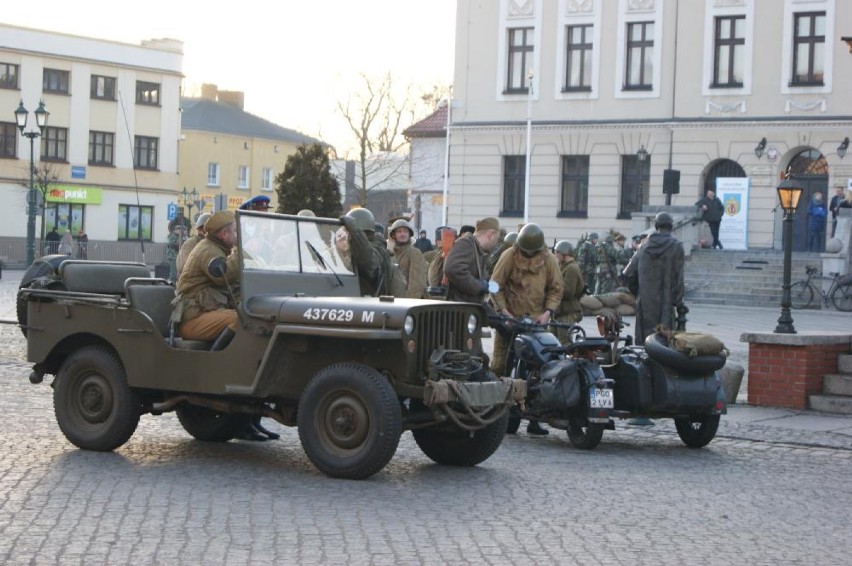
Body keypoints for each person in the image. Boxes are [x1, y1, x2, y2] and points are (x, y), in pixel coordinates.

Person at [490, 222, 563, 436]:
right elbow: (495, 285)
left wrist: (548, 312)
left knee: (538, 371)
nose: (529, 255)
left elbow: (556, 288)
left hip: (537, 321)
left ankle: (535, 417)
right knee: (501, 365)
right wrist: (503, 311)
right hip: (510, 320)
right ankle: (498, 414)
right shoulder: (509, 256)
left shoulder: (549, 260)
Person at [621, 212, 684, 346]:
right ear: (671, 227)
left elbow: (627, 273)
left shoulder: (643, 247)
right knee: (664, 341)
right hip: (666, 301)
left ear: (656, 226)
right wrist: (678, 302)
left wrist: (638, 291)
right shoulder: (677, 246)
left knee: (644, 341)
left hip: (645, 301)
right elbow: (679, 277)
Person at [340, 208, 404, 297]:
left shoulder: (378, 248)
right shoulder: (353, 247)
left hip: (370, 302)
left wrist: (355, 232)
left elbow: (369, 261)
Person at [553, 240, 584, 346]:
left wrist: (551, 286)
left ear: (564, 254)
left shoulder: (571, 268)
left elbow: (568, 292)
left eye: (557, 252)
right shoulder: (563, 266)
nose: (556, 255)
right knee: (552, 342)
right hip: (559, 312)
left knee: (564, 343)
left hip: (567, 312)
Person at [388, 218, 428, 298]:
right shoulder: (392, 254)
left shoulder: (414, 253)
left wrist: (409, 304)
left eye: (405, 231)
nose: (403, 234)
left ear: (409, 234)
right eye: (399, 232)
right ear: (393, 235)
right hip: (395, 300)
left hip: (409, 302)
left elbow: (416, 284)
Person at [177, 212, 212, 278]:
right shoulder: (191, 244)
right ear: (200, 229)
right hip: (193, 284)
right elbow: (185, 267)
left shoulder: (214, 244)